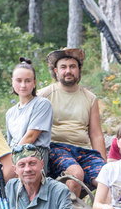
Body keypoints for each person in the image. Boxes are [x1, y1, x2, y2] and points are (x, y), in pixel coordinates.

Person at [38, 48, 106, 196]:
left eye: (72, 66)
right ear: (56, 71)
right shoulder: (44, 95)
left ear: (79, 70)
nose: (68, 71)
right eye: (63, 67)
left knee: (106, 180)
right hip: (56, 148)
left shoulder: (90, 98)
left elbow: (96, 135)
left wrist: (103, 164)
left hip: (84, 151)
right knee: (75, 174)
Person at [5, 57, 52, 169]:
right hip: (15, 154)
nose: (23, 85)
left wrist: (10, 162)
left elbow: (30, 137)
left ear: (34, 83)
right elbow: (10, 143)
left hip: (34, 153)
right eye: (18, 80)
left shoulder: (42, 104)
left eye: (27, 81)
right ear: (12, 82)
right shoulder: (10, 113)